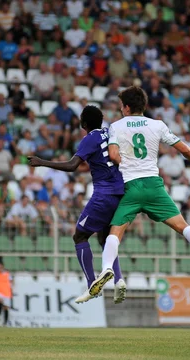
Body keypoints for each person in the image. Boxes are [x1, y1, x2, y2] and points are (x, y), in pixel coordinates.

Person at [90, 87, 190, 297]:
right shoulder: (157, 124)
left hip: (132, 187)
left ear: (127, 107)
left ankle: (107, 268)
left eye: (121, 106)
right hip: (155, 186)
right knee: (182, 225)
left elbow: (113, 154)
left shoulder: (116, 126)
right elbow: (182, 147)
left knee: (115, 233)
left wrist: (125, 162)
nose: (120, 109)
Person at [28, 105, 126, 304]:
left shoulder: (89, 138)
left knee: (80, 236)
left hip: (104, 195)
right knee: (105, 239)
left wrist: (42, 162)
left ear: (85, 123)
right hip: (121, 192)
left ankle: (92, 284)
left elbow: (73, 165)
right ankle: (118, 279)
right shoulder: (109, 132)